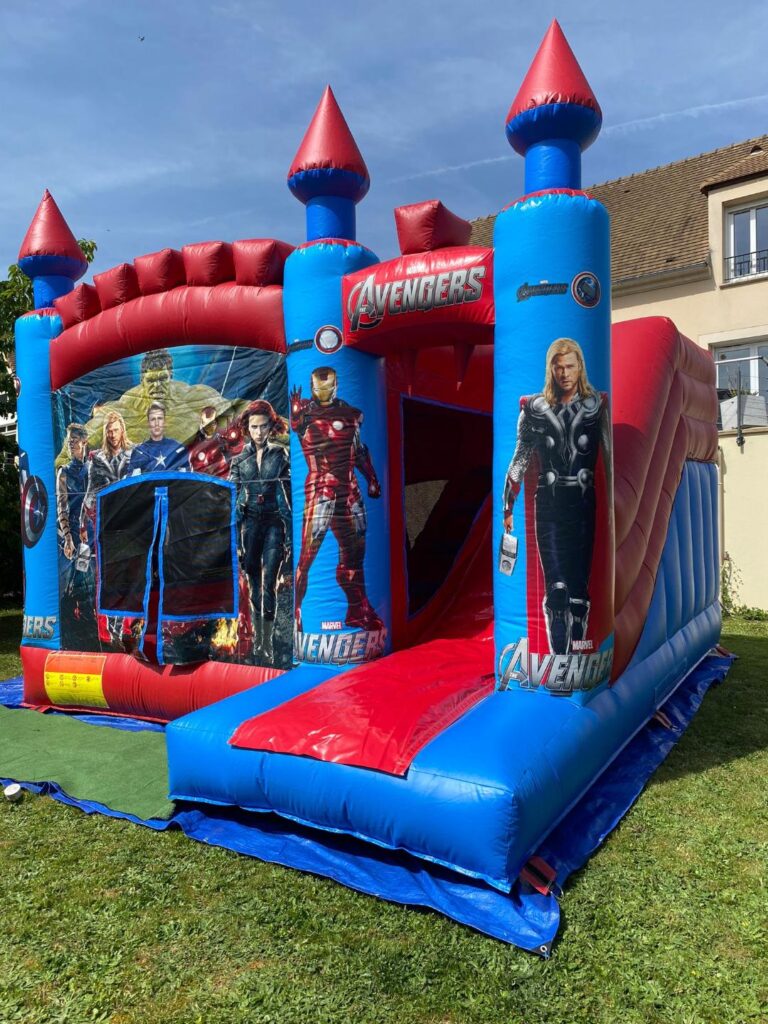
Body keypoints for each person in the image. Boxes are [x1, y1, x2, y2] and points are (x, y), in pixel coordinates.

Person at [502, 338, 612, 655]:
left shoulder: (596, 407)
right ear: (551, 369)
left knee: (578, 590)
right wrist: (508, 506)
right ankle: (559, 649)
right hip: (549, 504)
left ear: (580, 368)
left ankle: (577, 641)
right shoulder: (534, 410)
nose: (564, 373)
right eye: (559, 367)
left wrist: (612, 505)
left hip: (583, 502)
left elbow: (608, 457)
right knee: (557, 587)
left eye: (570, 366)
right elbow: (519, 459)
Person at [291, 366, 382, 633]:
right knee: (307, 555)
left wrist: (372, 478)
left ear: (335, 386)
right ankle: (297, 612)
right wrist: (296, 416)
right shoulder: (304, 413)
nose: (322, 391)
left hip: (348, 488)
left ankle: (358, 609)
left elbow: (358, 450)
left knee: (355, 554)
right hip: (321, 488)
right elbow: (297, 424)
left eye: (326, 386)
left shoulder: (351, 414)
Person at [229, 401, 291, 663]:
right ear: (247, 428)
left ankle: (268, 643)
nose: (258, 432)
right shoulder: (239, 460)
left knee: (269, 584)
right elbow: (231, 499)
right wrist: (234, 540)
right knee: (254, 584)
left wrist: (291, 535)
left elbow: (289, 494)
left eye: (263, 426)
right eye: (254, 427)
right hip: (250, 524)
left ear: (270, 426)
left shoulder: (280, 454)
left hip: (274, 522)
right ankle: (259, 641)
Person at [56, 423, 89, 560]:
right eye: (69, 441)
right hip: (72, 531)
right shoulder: (64, 472)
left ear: (84, 442)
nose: (70, 444)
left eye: (74, 440)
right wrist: (68, 538)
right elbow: (62, 508)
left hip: (91, 529)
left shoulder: (94, 467)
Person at [129, 403, 190, 474]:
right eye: (153, 419)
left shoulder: (177, 448)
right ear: (148, 423)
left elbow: (187, 476)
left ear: (164, 421)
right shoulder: (139, 451)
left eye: (160, 418)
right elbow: (132, 479)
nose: (157, 423)